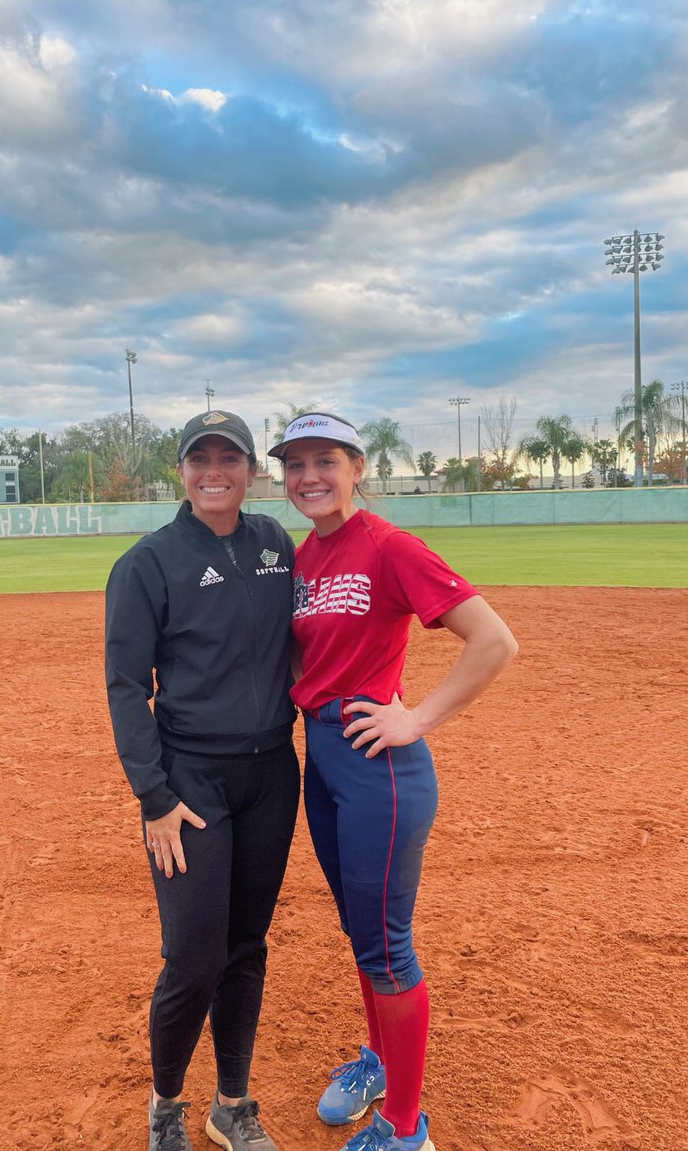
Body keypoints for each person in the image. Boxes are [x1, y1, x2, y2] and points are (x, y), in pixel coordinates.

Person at [268, 412, 518, 1151]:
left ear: (358, 467)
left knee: (387, 946)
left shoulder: (389, 545)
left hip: (380, 767)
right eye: (295, 465)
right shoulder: (305, 558)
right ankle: (378, 1063)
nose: (309, 477)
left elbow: (494, 640)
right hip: (324, 760)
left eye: (325, 461)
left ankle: (406, 1129)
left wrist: (417, 719)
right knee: (360, 931)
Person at [105, 409, 299, 1151]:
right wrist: (155, 797)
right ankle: (165, 1107)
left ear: (252, 472)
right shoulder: (149, 562)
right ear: (181, 472)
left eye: (231, 457)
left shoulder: (275, 543)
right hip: (189, 784)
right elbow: (126, 686)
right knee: (194, 955)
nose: (214, 470)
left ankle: (232, 1105)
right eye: (199, 458)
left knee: (247, 945)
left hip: (272, 778)